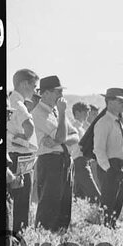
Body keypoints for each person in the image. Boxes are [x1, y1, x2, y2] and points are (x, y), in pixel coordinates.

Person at [32, 75, 77, 232]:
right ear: (44, 93)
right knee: (49, 205)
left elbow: (75, 136)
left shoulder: (55, 112)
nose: (61, 95)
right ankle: (43, 239)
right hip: (50, 161)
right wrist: (63, 115)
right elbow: (62, 136)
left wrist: (59, 140)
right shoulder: (39, 114)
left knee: (64, 205)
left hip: (63, 160)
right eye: (57, 91)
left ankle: (59, 239)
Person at [6, 68, 39, 236]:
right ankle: (18, 238)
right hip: (20, 156)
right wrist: (26, 137)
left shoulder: (11, 101)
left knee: (13, 199)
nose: (34, 90)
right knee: (21, 199)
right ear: (24, 84)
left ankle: (13, 236)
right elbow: (30, 126)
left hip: (13, 155)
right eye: (33, 86)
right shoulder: (18, 103)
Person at [93, 88, 123, 228]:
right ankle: (105, 230)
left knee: (118, 202)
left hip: (121, 164)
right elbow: (98, 149)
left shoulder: (119, 122)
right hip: (110, 166)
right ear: (109, 102)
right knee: (108, 203)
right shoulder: (104, 122)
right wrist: (108, 169)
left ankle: (112, 227)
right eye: (119, 101)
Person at [69, 101, 100, 203]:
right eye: (84, 112)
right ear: (77, 113)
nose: (87, 115)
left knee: (79, 196)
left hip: (82, 162)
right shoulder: (74, 128)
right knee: (94, 195)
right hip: (80, 162)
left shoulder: (82, 128)